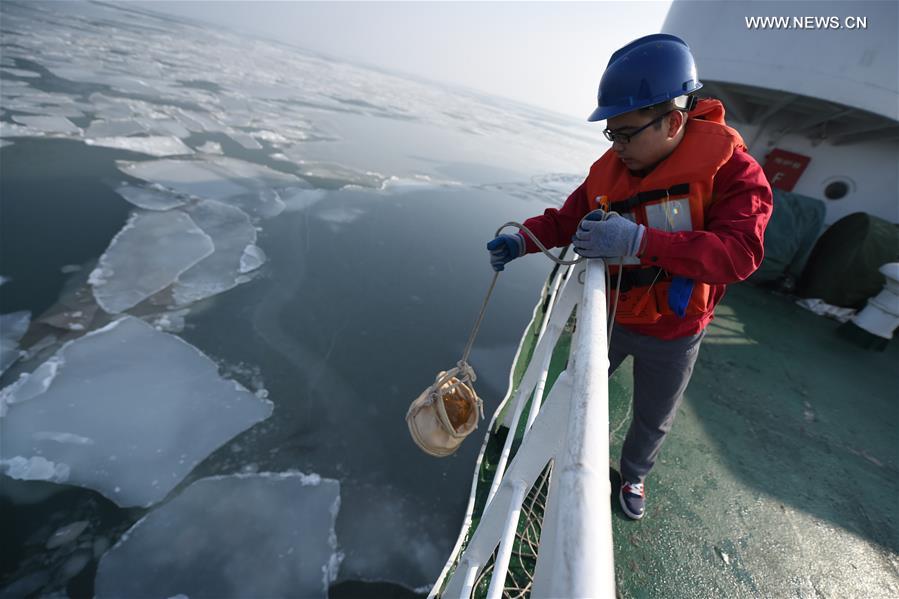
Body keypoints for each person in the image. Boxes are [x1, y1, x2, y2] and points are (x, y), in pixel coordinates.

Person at [486, 33, 773, 520]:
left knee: (653, 414)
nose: (617, 147)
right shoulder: (611, 170)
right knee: (575, 387)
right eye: (610, 135)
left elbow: (740, 254)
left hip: (676, 330)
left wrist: (641, 242)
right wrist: (522, 241)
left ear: (674, 121)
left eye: (626, 133)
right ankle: (540, 452)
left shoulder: (733, 171)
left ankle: (635, 474)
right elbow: (566, 219)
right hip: (614, 316)